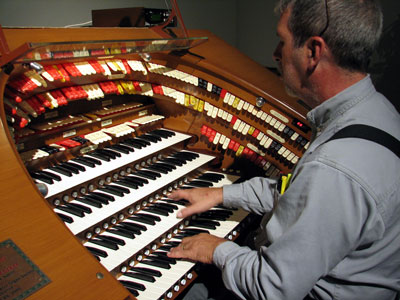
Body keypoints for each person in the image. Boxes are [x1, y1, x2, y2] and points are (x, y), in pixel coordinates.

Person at [167, 0, 400, 299]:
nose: (275, 54)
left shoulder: (334, 168)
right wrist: (222, 194)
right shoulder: (377, 111)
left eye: (282, 41)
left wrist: (217, 249)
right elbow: (299, 195)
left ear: (314, 52)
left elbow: (271, 288)